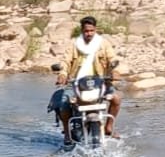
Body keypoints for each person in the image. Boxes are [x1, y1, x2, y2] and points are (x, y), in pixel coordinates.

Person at [51, 15, 122, 145]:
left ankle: (108, 127)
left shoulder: (103, 44)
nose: (89, 33)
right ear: (82, 31)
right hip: (77, 83)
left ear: (95, 30)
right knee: (64, 104)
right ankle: (67, 133)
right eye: (86, 31)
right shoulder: (74, 44)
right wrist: (62, 74)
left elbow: (112, 58)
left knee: (116, 99)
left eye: (91, 31)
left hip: (100, 82)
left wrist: (114, 71)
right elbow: (65, 61)